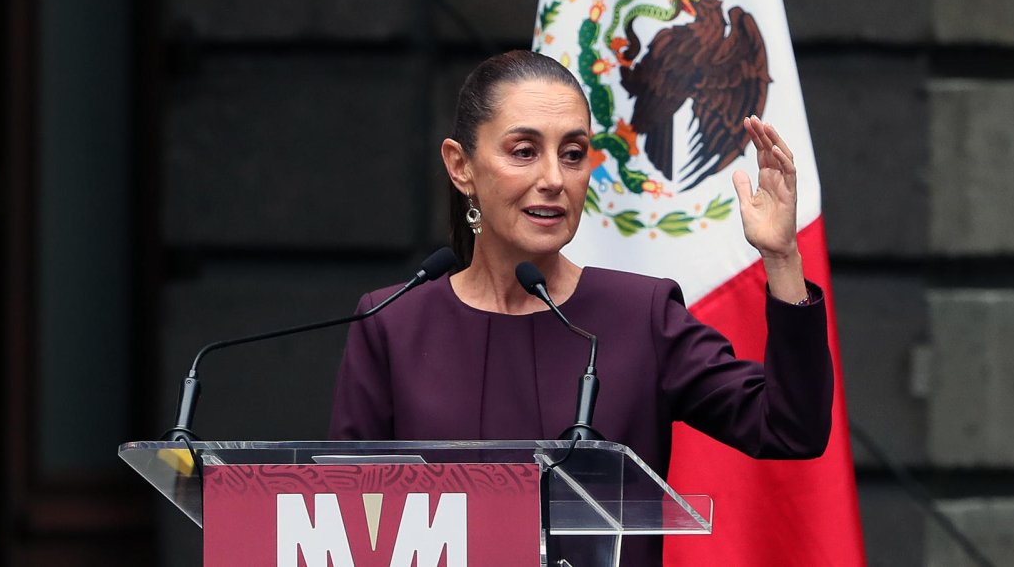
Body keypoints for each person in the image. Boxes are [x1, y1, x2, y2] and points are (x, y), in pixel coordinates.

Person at [329, 50, 832, 565]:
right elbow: (343, 523)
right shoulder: (392, 324)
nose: (554, 178)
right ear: (461, 166)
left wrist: (781, 256)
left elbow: (791, 427)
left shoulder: (642, 315)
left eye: (573, 154)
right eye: (524, 151)